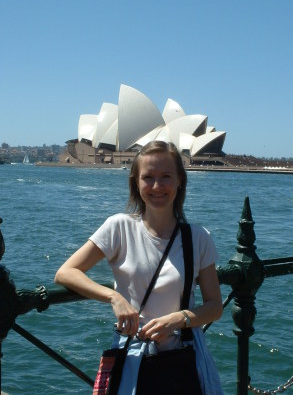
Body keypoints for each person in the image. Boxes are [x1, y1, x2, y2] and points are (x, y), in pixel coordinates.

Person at [55, 140, 224, 394]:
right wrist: (114, 297)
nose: (157, 186)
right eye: (148, 177)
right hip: (133, 355)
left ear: (180, 180)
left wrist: (179, 319)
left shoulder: (198, 237)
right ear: (136, 182)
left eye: (166, 176)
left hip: (184, 358)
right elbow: (66, 273)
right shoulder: (118, 227)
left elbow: (214, 306)